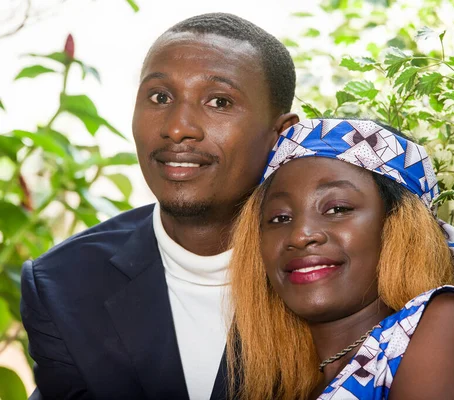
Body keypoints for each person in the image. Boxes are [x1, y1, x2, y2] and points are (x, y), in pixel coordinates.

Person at [20, 13, 299, 400]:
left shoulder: (324, 270)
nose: (178, 126)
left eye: (219, 101)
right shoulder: (63, 285)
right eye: (160, 97)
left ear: (280, 134)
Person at [226, 119, 454, 399]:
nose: (300, 235)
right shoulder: (278, 380)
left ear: (398, 226)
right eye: (280, 217)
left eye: (337, 209)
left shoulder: (442, 326)